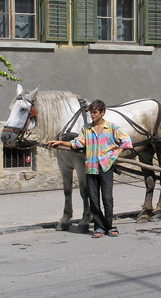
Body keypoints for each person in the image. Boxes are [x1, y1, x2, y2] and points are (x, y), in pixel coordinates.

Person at [46, 100, 132, 238]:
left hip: (105, 167)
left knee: (107, 198)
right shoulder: (86, 129)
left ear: (102, 112)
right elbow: (76, 143)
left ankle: (109, 226)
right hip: (91, 168)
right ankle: (98, 227)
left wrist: (116, 154)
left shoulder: (111, 128)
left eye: (95, 112)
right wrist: (60, 142)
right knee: (93, 199)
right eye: (91, 112)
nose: (92, 115)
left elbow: (126, 141)